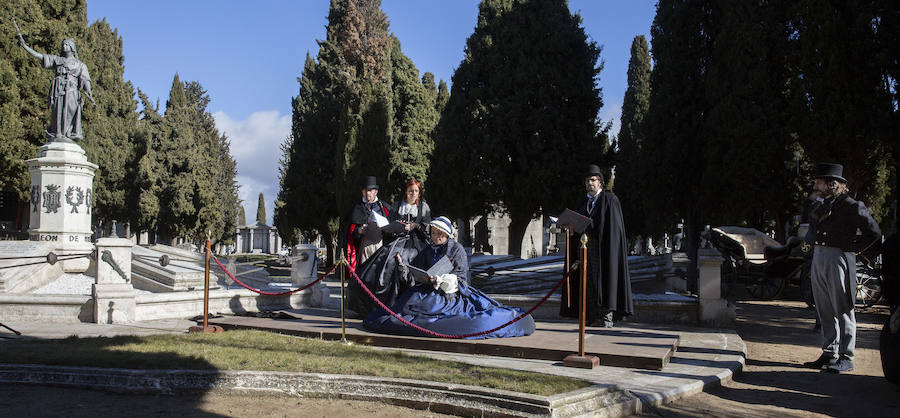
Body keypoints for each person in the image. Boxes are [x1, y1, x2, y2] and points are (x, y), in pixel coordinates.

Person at [363, 216, 536, 339]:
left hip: (449, 294)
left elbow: (461, 277)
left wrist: (440, 280)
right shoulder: (428, 250)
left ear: (447, 235)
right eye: (434, 232)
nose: (436, 236)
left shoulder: (456, 249)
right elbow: (414, 273)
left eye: (440, 234)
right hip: (426, 290)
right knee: (402, 308)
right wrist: (403, 267)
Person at [802, 163, 881, 374]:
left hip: (839, 258)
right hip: (819, 256)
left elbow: (873, 232)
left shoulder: (851, 205)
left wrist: (853, 247)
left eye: (820, 181)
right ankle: (829, 352)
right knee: (824, 307)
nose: (816, 184)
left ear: (832, 184)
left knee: (843, 308)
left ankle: (847, 356)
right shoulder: (819, 205)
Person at [559, 164, 633, 328]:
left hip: (603, 250)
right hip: (584, 249)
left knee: (604, 282)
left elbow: (613, 228)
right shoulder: (583, 202)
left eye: (592, 180)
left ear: (600, 182)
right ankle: (591, 315)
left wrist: (591, 226)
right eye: (587, 181)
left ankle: (605, 317)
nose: (589, 183)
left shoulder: (610, 200)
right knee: (587, 283)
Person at [347, 180, 431, 316]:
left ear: (419, 193)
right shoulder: (397, 206)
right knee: (383, 265)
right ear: (406, 191)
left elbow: (427, 229)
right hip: (397, 241)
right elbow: (389, 225)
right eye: (410, 190)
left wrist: (415, 226)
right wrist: (390, 228)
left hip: (416, 243)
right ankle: (380, 306)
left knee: (411, 263)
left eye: (416, 191)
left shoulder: (424, 207)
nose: (413, 193)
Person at [18, 33, 95, 142]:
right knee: (57, 111)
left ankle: (69, 133)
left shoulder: (80, 65)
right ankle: (58, 134)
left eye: (67, 45)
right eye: (63, 45)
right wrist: (25, 46)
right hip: (58, 90)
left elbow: (85, 79)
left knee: (70, 110)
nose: (64, 47)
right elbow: (40, 56)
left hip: (72, 90)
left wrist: (89, 92)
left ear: (72, 47)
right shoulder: (57, 60)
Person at [339, 176, 391, 271]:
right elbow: (348, 231)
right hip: (363, 246)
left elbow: (392, 228)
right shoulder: (356, 208)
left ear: (376, 192)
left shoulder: (385, 208)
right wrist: (358, 231)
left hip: (381, 246)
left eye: (370, 190)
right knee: (364, 273)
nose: (367, 193)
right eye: (365, 190)